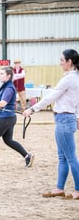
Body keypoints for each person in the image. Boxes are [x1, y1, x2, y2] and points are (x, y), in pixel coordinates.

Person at [23, 49, 79, 200]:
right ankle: (59, 188)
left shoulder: (69, 78)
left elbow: (51, 96)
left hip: (64, 120)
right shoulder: (73, 77)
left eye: (62, 60)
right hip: (65, 119)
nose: (60, 62)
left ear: (69, 62)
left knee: (71, 157)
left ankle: (78, 190)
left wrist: (32, 109)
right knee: (63, 157)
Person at [0, 66, 34, 169]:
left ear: (9, 76)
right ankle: (27, 156)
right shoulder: (6, 86)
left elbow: (3, 103)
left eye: (2, 74)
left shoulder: (8, 88)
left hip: (5, 118)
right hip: (9, 117)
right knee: (8, 140)